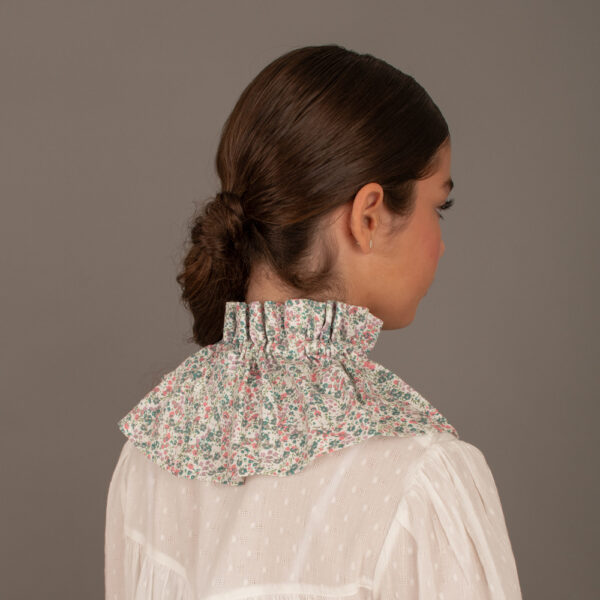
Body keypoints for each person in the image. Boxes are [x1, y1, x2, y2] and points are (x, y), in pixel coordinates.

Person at [105, 44, 522, 599]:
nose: (441, 243)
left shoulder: (153, 451)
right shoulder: (420, 479)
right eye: (437, 206)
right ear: (369, 215)